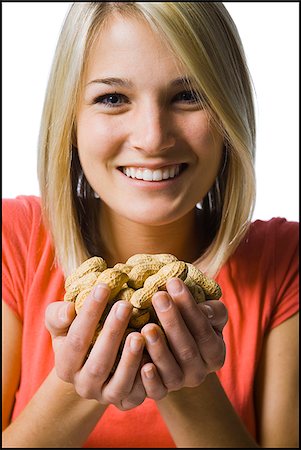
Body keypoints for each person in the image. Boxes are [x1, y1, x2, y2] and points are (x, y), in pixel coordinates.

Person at [2, 2, 298, 448]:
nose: (153, 137)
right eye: (113, 98)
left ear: (229, 114)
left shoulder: (285, 263)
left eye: (188, 95)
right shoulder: (13, 240)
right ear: (70, 119)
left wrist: (189, 382)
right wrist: (76, 381)